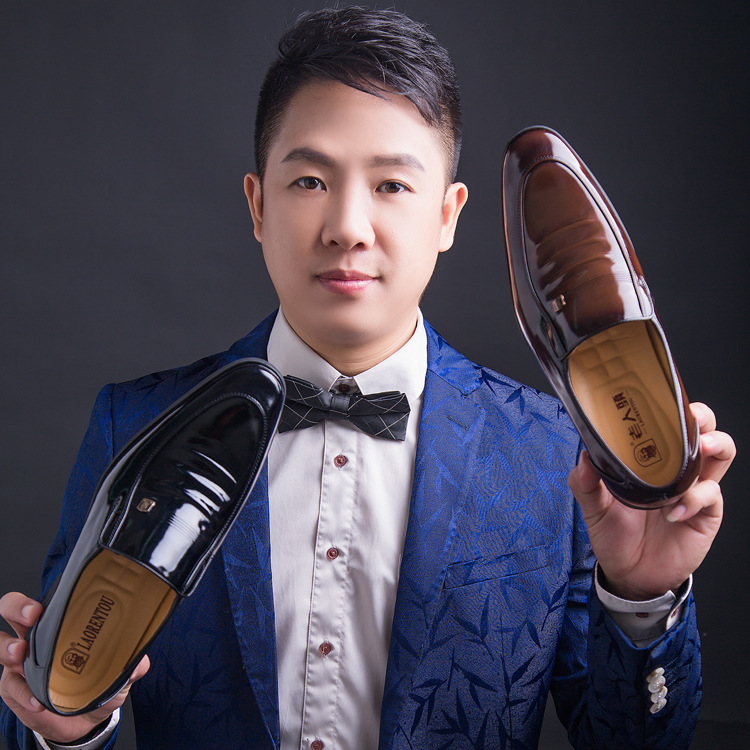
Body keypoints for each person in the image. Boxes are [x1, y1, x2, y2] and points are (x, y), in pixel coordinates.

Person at [0, 7, 734, 749]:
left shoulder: (554, 456)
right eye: (310, 180)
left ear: (448, 217)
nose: (348, 227)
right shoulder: (133, 424)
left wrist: (642, 597)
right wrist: (62, 724)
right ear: (257, 205)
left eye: (391, 185)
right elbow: (46, 706)